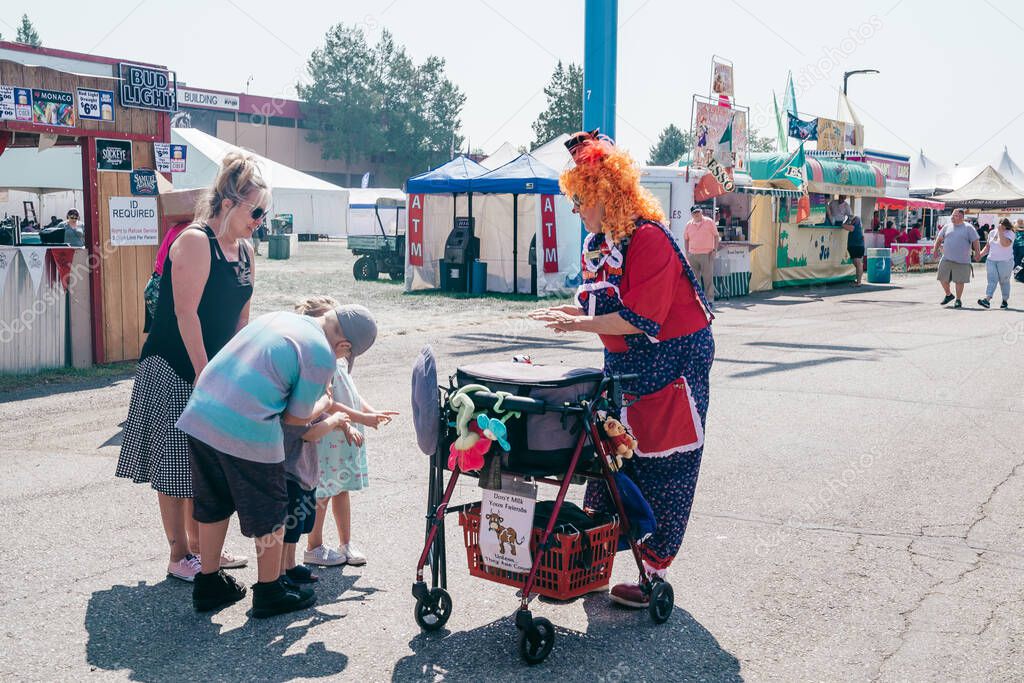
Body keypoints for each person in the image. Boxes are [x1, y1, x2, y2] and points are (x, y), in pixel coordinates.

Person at [530, 130, 715, 609]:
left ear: (603, 196)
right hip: (627, 363)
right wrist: (571, 316)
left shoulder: (649, 240)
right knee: (611, 455)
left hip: (671, 362)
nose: (576, 211)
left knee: (663, 461)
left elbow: (641, 319)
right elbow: (607, 304)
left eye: (580, 201)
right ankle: (595, 557)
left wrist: (578, 325)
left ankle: (652, 570)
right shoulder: (605, 243)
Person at [116, 152, 269, 582]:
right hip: (174, 366)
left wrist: (240, 372)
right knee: (176, 464)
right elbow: (186, 314)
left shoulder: (245, 252)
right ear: (228, 203)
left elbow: (242, 318)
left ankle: (206, 550)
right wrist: (205, 376)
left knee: (206, 465)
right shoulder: (195, 241)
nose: (260, 219)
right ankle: (180, 553)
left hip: (215, 372)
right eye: (255, 210)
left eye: (263, 212)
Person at [176, 307, 354, 617]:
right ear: (344, 347)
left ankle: (208, 583)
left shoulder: (281, 317)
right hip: (247, 427)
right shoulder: (321, 354)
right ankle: (270, 590)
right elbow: (295, 421)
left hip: (202, 412)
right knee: (271, 505)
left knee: (213, 501)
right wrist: (326, 401)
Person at [294, 299, 398, 568]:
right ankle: (314, 546)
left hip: (343, 438)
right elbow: (327, 403)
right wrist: (356, 420)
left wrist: (371, 412)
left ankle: (346, 543)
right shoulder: (320, 362)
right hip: (329, 436)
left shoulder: (338, 362)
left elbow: (351, 395)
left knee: (341, 490)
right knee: (323, 492)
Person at [280, 399, 353, 586]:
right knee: (287, 529)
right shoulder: (294, 403)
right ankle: (279, 574)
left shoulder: (307, 403)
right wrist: (335, 419)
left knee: (295, 530)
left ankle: (289, 565)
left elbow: (321, 418)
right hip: (289, 472)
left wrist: (343, 424)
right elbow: (310, 433)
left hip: (303, 473)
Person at [934, 209, 981, 308]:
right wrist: (935, 250)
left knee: (959, 281)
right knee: (942, 278)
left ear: (961, 217)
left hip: (962, 260)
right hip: (946, 258)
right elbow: (939, 239)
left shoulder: (968, 228)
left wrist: (977, 253)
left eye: (955, 215)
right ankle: (948, 294)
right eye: (952, 215)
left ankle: (958, 300)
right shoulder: (947, 226)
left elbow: (975, 241)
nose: (952, 217)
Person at [683, 206, 719, 305]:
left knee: (708, 278)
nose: (697, 214)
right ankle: (697, 300)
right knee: (694, 279)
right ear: (691, 214)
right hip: (693, 255)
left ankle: (710, 300)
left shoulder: (709, 222)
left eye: (698, 212)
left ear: (701, 212)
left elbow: (716, 236)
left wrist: (714, 250)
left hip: (706, 254)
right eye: (694, 212)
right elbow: (686, 239)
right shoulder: (688, 225)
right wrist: (687, 252)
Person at [977, 218, 1015, 309]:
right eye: (1000, 224)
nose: (1001, 226)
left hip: (1005, 261)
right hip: (991, 260)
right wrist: (980, 255)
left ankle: (1005, 300)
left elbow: (1004, 244)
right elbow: (988, 246)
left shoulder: (1010, 233)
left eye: (1003, 225)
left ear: (1007, 226)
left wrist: (1001, 232)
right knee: (992, 280)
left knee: (1004, 281)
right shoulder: (992, 233)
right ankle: (987, 300)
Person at [842, 215, 866, 286]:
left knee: (858, 264)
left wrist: (842, 224)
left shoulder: (856, 224)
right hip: (857, 246)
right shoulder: (858, 226)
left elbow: (850, 228)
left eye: (853, 219)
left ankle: (859, 282)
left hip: (857, 246)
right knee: (857, 264)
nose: (852, 220)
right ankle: (858, 281)